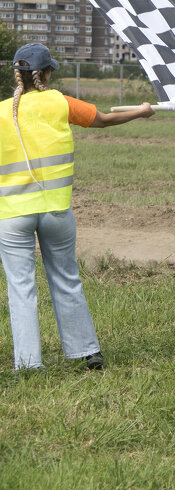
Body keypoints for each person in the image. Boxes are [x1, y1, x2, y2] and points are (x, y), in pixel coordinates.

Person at [0, 43, 153, 370]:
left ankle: (28, 365)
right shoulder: (60, 102)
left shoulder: (1, 112)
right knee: (66, 278)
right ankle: (87, 352)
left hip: (12, 215)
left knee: (20, 289)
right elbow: (105, 120)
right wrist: (142, 111)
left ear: (19, 75)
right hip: (56, 211)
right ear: (46, 73)